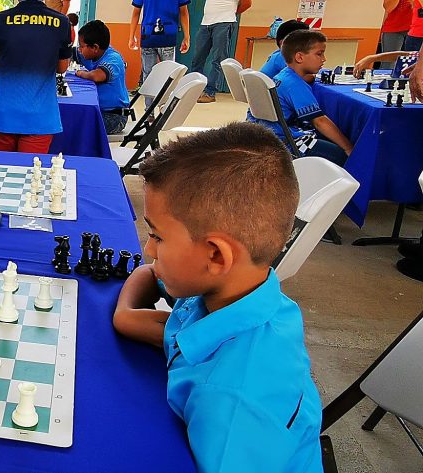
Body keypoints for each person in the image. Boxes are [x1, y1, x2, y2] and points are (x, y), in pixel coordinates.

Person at [113, 122, 322, 472]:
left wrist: (129, 316)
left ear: (215, 255)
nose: (148, 249)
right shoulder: (244, 293)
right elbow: (149, 279)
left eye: (157, 237)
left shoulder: (230, 401)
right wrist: (126, 318)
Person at [0, 0, 72, 154]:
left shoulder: (0, 19)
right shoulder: (62, 22)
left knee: (5, 167)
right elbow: (62, 68)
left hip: (5, 111)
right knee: (31, 167)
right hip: (40, 113)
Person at [252, 30, 352, 166]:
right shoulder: (294, 85)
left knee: (328, 139)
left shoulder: (285, 75)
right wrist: (348, 148)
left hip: (273, 134)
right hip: (287, 143)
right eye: (319, 54)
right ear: (299, 57)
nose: (324, 59)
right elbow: (319, 121)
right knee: (343, 156)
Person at [189, 0, 252, 103]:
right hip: (206, 23)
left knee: (218, 60)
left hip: (225, 22)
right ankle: (195, 89)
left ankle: (210, 92)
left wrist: (230, 13)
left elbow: (247, 3)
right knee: (197, 59)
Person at [130, 0, 190, 106]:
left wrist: (131, 36)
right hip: (168, 35)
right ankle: (164, 107)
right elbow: (184, 12)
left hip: (148, 34)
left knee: (148, 76)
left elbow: (136, 12)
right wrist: (187, 37)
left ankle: (149, 111)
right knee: (169, 76)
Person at [75, 20, 130, 135]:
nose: (79, 50)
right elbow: (69, 53)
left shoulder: (113, 58)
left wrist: (80, 73)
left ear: (95, 47)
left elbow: (97, 76)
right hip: (99, 111)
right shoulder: (91, 53)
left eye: (81, 46)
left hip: (114, 117)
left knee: (75, 126)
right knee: (73, 118)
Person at [381, 1, 413, 69]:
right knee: (388, 64)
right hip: (393, 28)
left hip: (416, 30)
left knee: (415, 62)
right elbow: (388, 8)